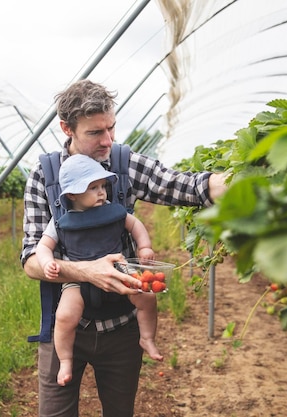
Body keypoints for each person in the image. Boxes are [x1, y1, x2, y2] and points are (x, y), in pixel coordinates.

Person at [21, 79, 227, 417]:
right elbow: (31, 257)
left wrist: (233, 181)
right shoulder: (45, 176)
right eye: (95, 133)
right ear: (67, 128)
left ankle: (146, 336)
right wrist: (84, 271)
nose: (108, 140)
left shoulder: (123, 162)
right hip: (67, 324)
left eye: (111, 127)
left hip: (121, 326)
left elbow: (181, 185)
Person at [35, 154, 162, 387]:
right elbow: (43, 246)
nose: (102, 192)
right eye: (93, 188)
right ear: (72, 194)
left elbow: (135, 225)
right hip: (79, 277)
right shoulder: (61, 221)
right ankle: (65, 360)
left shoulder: (113, 211)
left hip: (119, 266)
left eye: (103, 186)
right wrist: (46, 263)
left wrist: (144, 247)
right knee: (64, 316)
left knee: (146, 296)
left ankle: (147, 338)